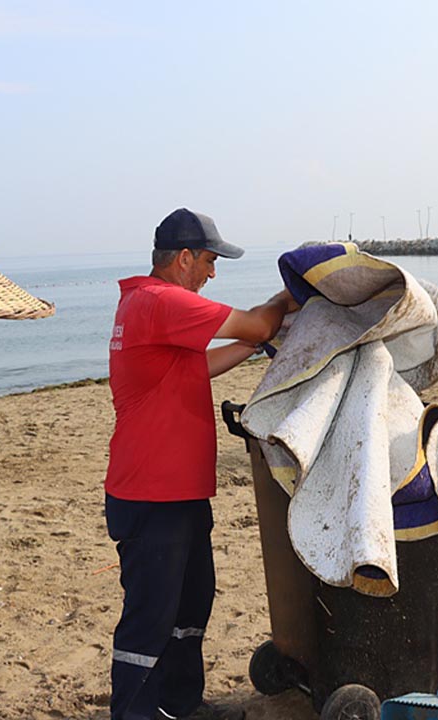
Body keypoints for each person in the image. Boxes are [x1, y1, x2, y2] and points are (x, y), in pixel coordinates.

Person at [105, 208, 296, 720]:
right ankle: (135, 714)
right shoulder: (161, 301)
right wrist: (289, 296)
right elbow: (257, 319)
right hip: (151, 492)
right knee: (150, 616)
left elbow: (198, 367)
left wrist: (255, 344)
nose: (213, 273)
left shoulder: (149, 305)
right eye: (210, 261)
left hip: (180, 491)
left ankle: (179, 704)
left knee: (190, 607)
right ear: (184, 258)